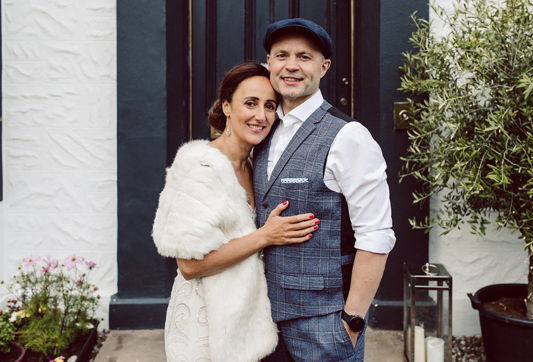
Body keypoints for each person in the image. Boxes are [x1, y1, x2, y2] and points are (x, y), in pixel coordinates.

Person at [152, 61, 319, 362]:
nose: (261, 115)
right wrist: (265, 237)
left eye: (270, 106)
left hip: (249, 324)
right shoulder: (201, 167)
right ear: (226, 107)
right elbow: (189, 266)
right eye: (250, 103)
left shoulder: (255, 164)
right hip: (207, 327)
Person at [253, 18, 396, 361]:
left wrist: (352, 321)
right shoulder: (262, 130)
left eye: (304, 57)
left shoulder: (349, 137)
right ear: (269, 63)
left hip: (324, 327)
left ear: (324, 66)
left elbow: (376, 234)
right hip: (259, 323)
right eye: (281, 55)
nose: (291, 65)